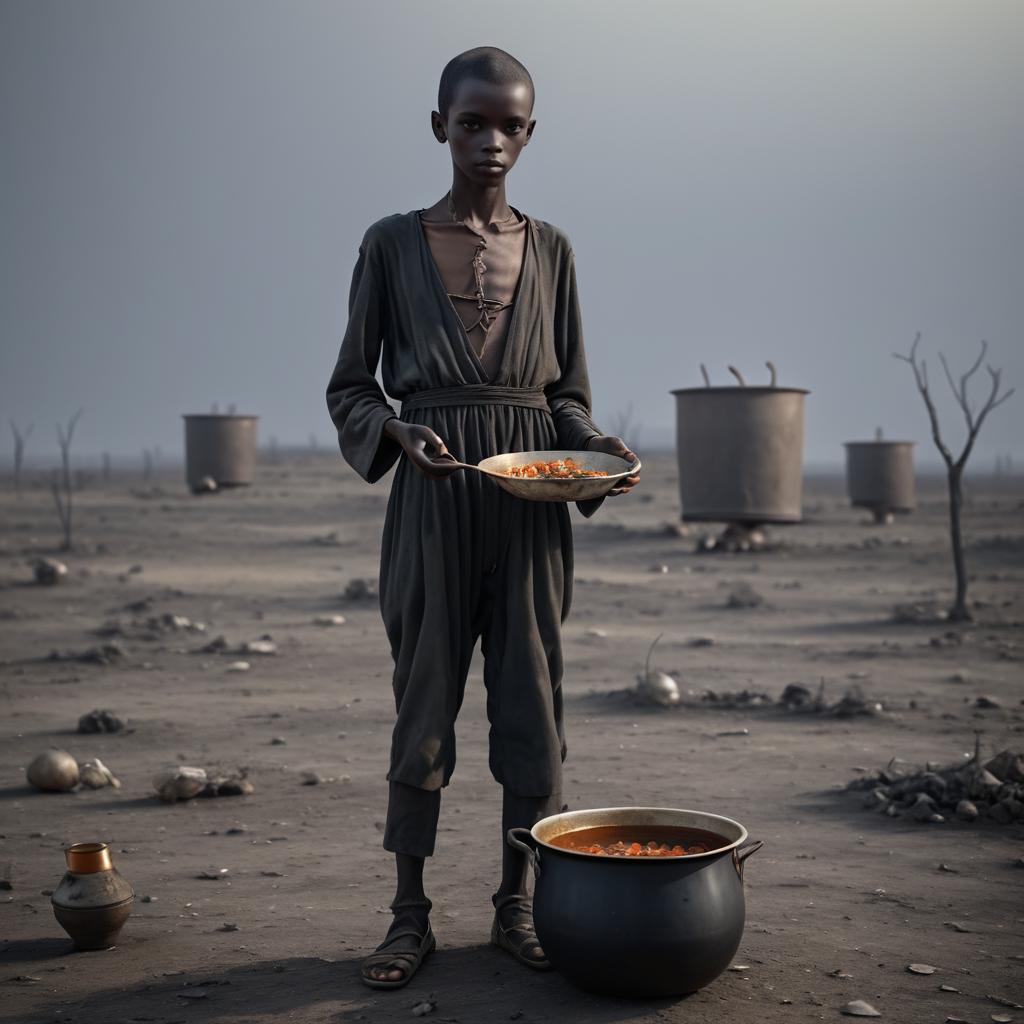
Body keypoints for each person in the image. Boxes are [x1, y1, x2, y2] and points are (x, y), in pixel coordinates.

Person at [325, 45, 640, 989]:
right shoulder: (389, 244)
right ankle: (408, 916)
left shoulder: (555, 250)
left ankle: (518, 905)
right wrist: (397, 431)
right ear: (440, 128)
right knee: (424, 698)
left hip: (530, 506)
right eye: (473, 123)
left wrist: (593, 454)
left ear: (529, 134)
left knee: (531, 701)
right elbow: (351, 387)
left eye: (510, 125)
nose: (491, 141)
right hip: (431, 496)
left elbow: (567, 396)